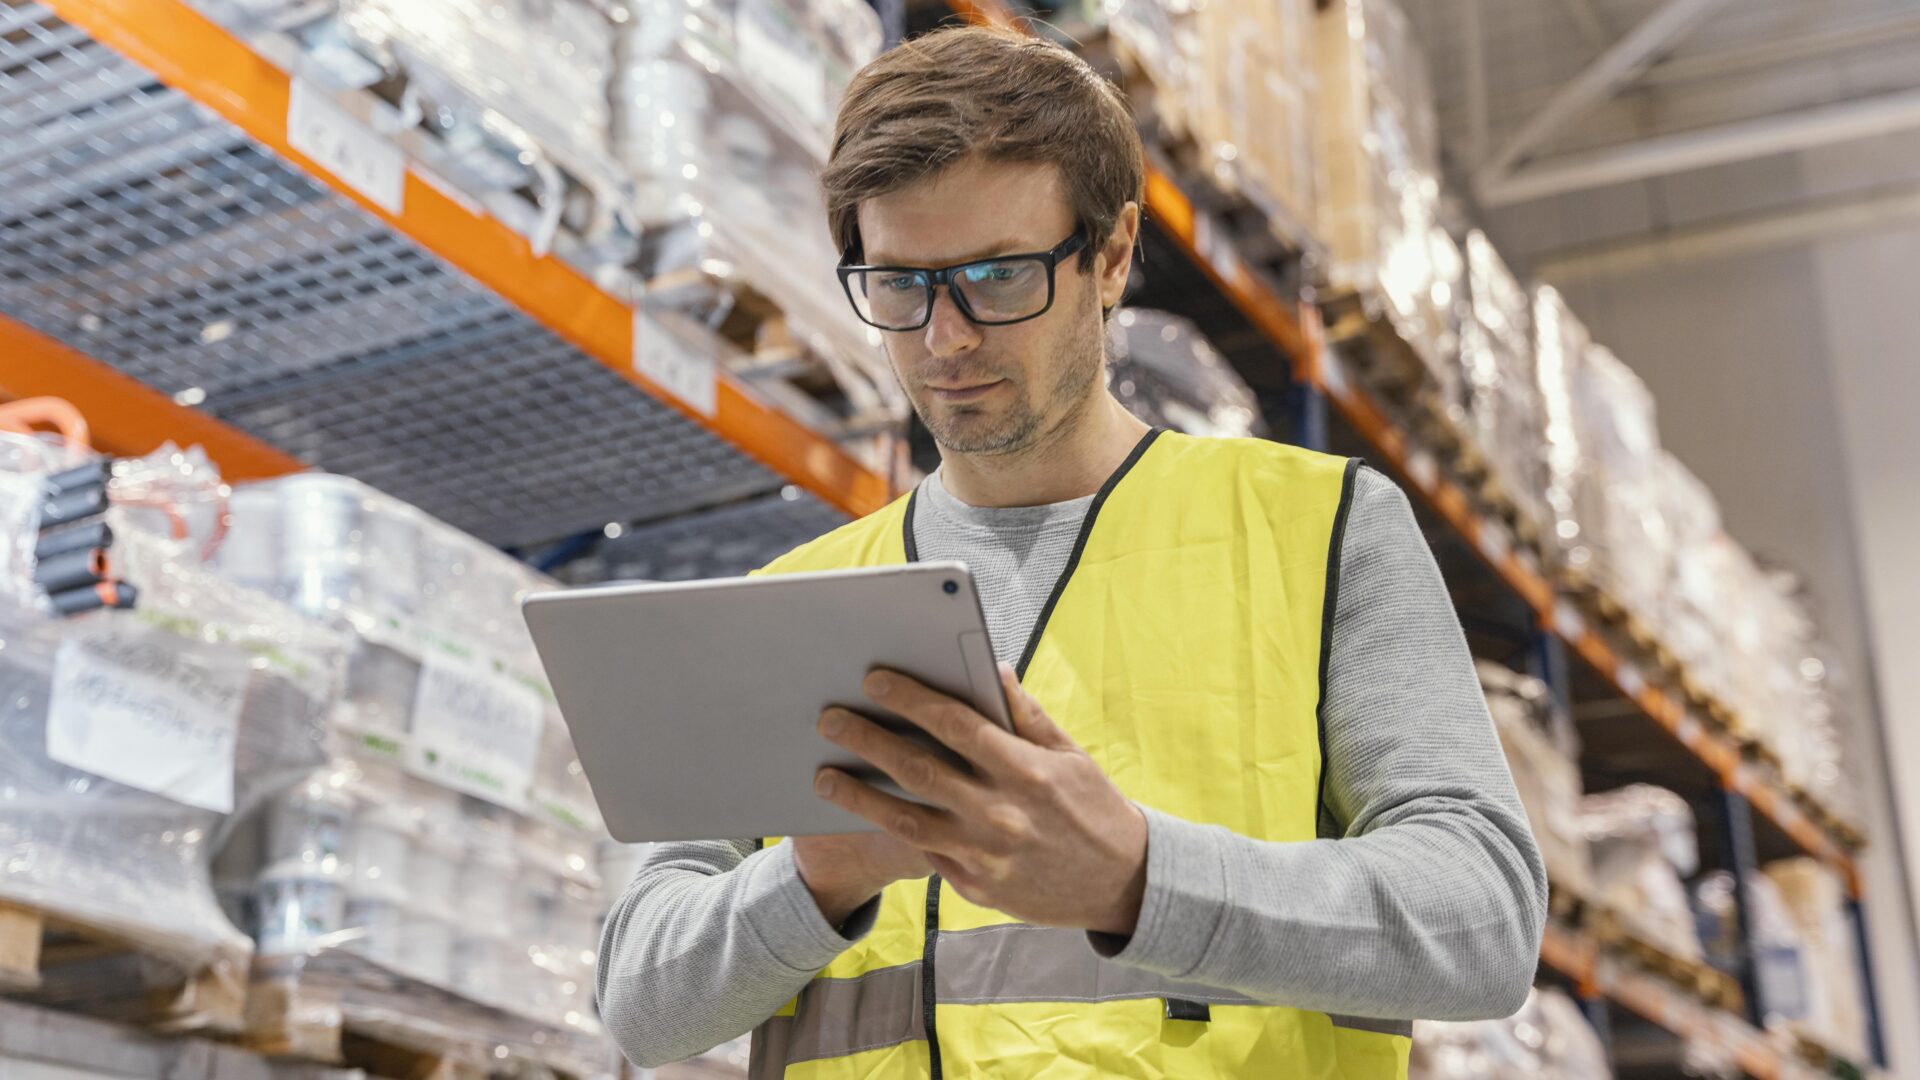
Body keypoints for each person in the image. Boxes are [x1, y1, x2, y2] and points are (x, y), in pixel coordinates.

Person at [598, 25, 1547, 1079]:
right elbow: (642, 1005)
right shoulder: (799, 599)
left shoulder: (1319, 528)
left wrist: (1139, 879)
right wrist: (815, 879)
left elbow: (1485, 922)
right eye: (900, 284)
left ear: (1112, 255)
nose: (945, 339)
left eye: (998, 277)